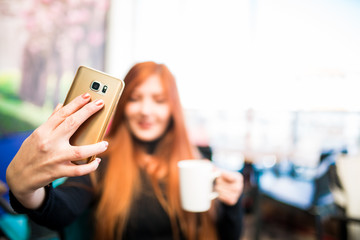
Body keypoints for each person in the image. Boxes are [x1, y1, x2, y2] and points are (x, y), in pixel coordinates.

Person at [6, 61, 244, 240]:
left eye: (159, 100)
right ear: (122, 104)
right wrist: (28, 192)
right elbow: (62, 209)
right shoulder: (101, 160)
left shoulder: (194, 160)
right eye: (135, 98)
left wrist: (233, 203)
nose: (146, 110)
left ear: (172, 109)